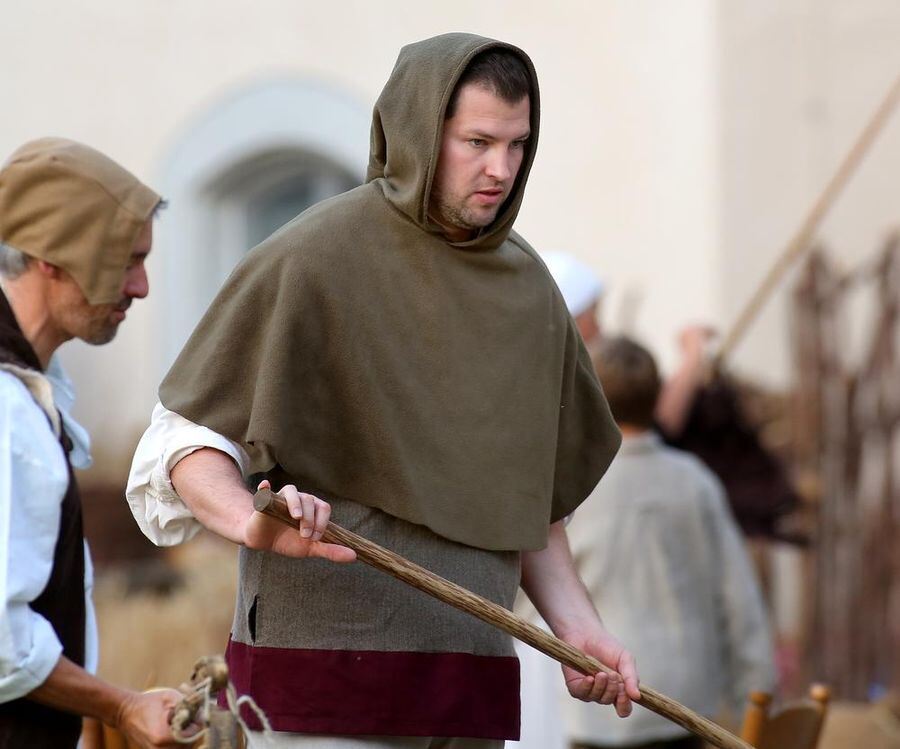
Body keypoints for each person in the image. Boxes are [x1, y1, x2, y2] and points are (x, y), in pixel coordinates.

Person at [127, 33, 641, 748]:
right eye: (478, 141)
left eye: (517, 145)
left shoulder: (530, 294)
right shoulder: (312, 256)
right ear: (419, 131)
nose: (501, 169)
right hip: (322, 687)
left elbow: (530, 509)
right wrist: (249, 516)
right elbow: (186, 439)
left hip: (468, 688)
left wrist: (582, 631)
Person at [0, 138, 186, 748]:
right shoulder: (6, 411)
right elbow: (4, 643)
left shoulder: (32, 390)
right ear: (52, 257)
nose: (141, 287)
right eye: (124, 261)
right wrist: (122, 706)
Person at [564, 336, 775, 749]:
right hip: (684, 698)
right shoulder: (694, 480)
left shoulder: (574, 485)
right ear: (657, 394)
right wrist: (755, 692)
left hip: (599, 697)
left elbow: (537, 598)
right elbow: (738, 596)